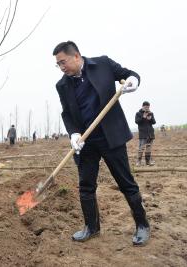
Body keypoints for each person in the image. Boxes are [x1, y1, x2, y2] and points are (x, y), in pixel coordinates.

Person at [53, 41, 149, 246]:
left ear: (76, 56)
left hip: (111, 137)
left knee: (126, 183)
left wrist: (133, 80)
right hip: (86, 142)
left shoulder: (103, 65)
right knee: (86, 186)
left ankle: (142, 225)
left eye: (63, 62)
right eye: (58, 64)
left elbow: (130, 73)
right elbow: (67, 114)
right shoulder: (62, 85)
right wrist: (74, 134)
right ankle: (91, 227)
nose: (61, 67)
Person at [135, 101, 156, 166]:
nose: (147, 108)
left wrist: (150, 119)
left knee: (148, 148)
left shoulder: (151, 113)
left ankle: (148, 161)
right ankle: (138, 162)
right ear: (143, 106)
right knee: (141, 148)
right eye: (146, 107)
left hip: (150, 134)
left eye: (148, 107)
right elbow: (137, 121)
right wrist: (143, 117)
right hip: (143, 134)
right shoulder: (138, 113)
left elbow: (154, 122)